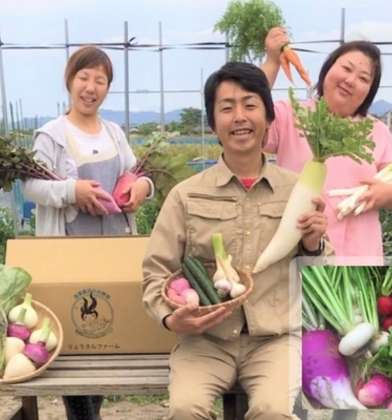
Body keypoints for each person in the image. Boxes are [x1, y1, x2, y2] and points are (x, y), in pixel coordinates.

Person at [142, 61, 334, 420]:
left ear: (268, 117)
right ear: (214, 124)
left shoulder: (299, 190)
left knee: (274, 411)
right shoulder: (187, 195)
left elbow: (326, 276)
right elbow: (156, 272)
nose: (239, 117)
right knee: (185, 410)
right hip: (205, 339)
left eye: (250, 104)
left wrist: (313, 244)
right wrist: (172, 319)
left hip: (277, 338)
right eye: (226, 108)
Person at [22, 45, 154, 420]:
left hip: (112, 252)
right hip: (70, 256)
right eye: (84, 77)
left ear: (107, 88)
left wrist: (143, 188)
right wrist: (70, 191)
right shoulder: (51, 134)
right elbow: (31, 186)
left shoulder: (114, 132)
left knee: (105, 337)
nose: (91, 87)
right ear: (70, 80)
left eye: (100, 80)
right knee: (76, 342)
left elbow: (137, 174)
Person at [260, 27, 392, 263]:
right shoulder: (290, 114)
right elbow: (252, 108)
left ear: (370, 91)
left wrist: (386, 193)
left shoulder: (378, 131)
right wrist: (271, 61)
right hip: (296, 253)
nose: (351, 80)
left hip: (358, 256)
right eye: (346, 68)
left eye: (363, 79)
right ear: (328, 69)